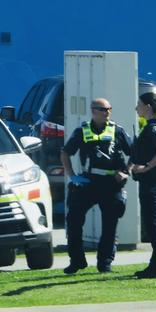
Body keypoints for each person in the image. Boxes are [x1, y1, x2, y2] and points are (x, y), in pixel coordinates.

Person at [60, 98, 132, 274]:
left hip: (111, 183)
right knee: (74, 220)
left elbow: (134, 153)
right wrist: (72, 176)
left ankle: (105, 262)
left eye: (109, 109)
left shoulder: (117, 131)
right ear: (93, 111)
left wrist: (126, 172)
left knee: (110, 224)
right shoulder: (82, 131)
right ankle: (77, 261)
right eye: (103, 109)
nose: (107, 112)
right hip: (88, 182)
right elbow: (65, 153)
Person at [131, 93, 156, 279]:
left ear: (148, 106)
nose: (136, 107)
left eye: (139, 104)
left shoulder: (153, 128)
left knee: (155, 224)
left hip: (153, 182)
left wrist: (146, 167)